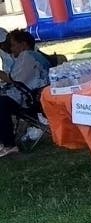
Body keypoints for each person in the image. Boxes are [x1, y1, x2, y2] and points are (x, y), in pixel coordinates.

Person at [0, 29, 50, 157]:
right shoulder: (34, 55)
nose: (11, 49)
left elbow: (13, 79)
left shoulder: (27, 56)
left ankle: (8, 144)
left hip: (32, 101)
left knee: (2, 103)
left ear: (23, 44)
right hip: (36, 97)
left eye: (13, 45)